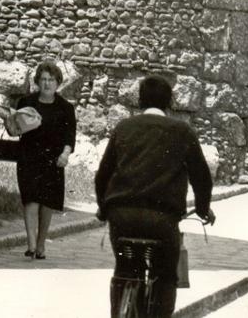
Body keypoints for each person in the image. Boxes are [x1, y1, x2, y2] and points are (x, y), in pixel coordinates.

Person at [95, 74, 215, 318]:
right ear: (169, 102)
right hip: (161, 220)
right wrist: (203, 209)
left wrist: (102, 208)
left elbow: (102, 175)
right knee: (166, 275)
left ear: (140, 100)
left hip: (122, 217)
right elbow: (202, 178)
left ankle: (120, 304)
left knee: (124, 266)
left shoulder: (124, 127)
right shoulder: (183, 131)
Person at [15, 61, 76, 259]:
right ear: (37, 82)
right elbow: (16, 129)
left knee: (47, 204)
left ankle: (41, 245)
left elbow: (70, 135)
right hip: (29, 157)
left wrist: (65, 154)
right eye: (43, 79)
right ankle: (31, 245)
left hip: (53, 160)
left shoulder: (65, 108)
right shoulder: (26, 102)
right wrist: (12, 122)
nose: (47, 84)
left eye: (51, 80)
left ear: (58, 82)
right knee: (31, 200)